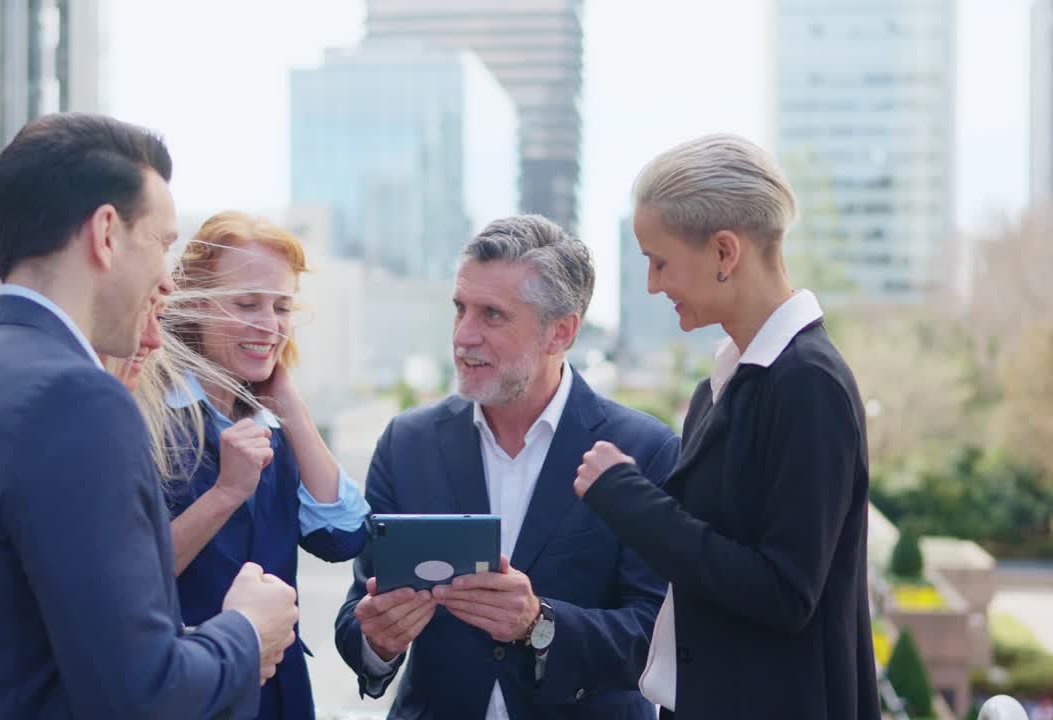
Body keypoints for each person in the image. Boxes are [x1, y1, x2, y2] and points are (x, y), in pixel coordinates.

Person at [0, 114, 299, 720]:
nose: (167, 280)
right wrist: (247, 631)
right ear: (107, 233)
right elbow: (142, 694)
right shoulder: (79, 402)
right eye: (161, 244)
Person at [572, 134, 880, 719]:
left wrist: (628, 498)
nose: (652, 285)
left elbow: (786, 591)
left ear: (724, 253)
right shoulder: (723, 385)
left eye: (658, 261)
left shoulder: (809, 384)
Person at [334, 215, 679, 719]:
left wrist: (540, 622)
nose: (463, 336)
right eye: (460, 309)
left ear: (560, 332)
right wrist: (377, 640)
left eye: (492, 315)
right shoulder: (407, 444)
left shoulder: (644, 450)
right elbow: (356, 617)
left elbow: (658, 637)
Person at [164, 211, 371, 719]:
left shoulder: (269, 426)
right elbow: (134, 576)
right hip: (191, 690)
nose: (269, 325)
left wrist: (291, 407)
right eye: (246, 304)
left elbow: (343, 535)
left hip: (279, 698)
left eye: (282, 307)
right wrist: (227, 492)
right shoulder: (150, 420)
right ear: (194, 305)